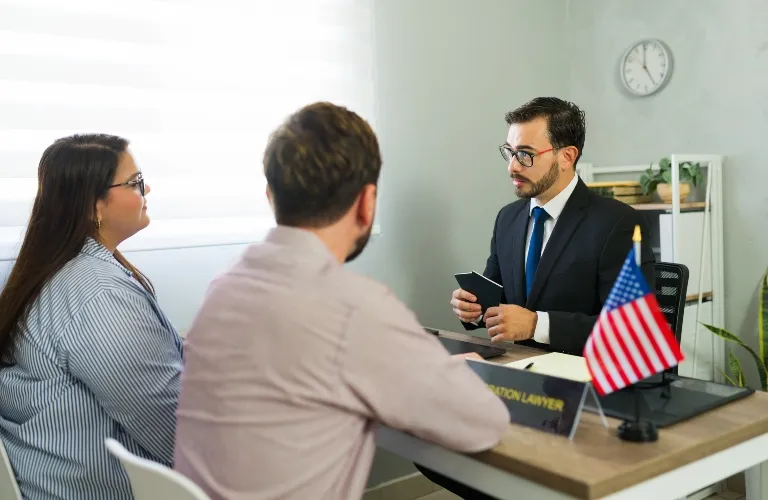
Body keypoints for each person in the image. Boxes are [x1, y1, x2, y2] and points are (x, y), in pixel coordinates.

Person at [173, 102, 510, 500]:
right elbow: (484, 423)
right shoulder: (356, 309)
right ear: (367, 202)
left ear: (270, 195)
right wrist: (453, 375)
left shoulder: (224, 287)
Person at [0, 134, 184, 500]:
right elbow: (174, 431)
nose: (147, 188)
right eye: (134, 183)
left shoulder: (53, 271)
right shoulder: (99, 293)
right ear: (92, 206)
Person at [450, 97, 654, 356]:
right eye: (509, 153)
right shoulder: (508, 219)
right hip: (522, 371)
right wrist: (474, 309)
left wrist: (537, 325)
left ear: (567, 157)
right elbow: (498, 301)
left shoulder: (618, 223)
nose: (512, 166)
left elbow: (632, 330)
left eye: (525, 155)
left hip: (587, 381)